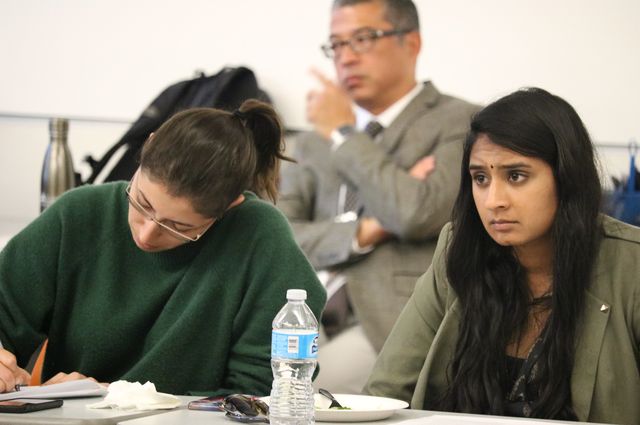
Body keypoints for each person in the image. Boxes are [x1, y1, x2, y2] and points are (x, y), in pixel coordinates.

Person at [0, 100, 326, 396]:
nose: (146, 234)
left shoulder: (260, 238)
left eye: (179, 227)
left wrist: (120, 398)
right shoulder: (78, 214)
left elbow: (266, 392)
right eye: (140, 203)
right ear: (148, 145)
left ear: (230, 206)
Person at [364, 87, 640, 424]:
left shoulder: (631, 264)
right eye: (480, 178)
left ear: (566, 178)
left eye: (516, 176)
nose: (494, 199)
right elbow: (386, 390)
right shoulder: (459, 247)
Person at [278, 0, 479, 392]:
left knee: (299, 396)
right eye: (336, 45)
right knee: (249, 387)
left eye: (363, 39)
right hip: (301, 310)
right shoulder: (313, 141)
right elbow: (279, 236)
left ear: (412, 43)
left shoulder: (461, 121)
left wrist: (345, 134)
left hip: (391, 320)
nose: (346, 58)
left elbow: (416, 212)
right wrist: (364, 230)